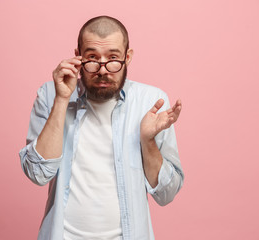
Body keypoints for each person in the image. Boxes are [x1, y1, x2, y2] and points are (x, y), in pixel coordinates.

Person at [19, 15, 184, 240]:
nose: (103, 70)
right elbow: (37, 173)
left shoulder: (151, 102)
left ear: (128, 57)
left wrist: (147, 141)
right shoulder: (50, 94)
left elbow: (167, 194)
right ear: (78, 57)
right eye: (92, 58)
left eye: (113, 58)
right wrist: (61, 100)